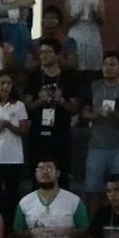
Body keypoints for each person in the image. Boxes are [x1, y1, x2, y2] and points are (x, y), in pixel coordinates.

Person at [81, 52, 119, 215]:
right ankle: (93, 225)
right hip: (96, 145)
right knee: (92, 188)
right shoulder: (93, 87)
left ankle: (118, 220)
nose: (108, 68)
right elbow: (84, 113)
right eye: (105, 64)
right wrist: (97, 113)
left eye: (112, 64)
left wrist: (113, 113)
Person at [24, 39, 80, 180]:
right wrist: (40, 101)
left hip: (60, 133)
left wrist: (60, 100)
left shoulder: (69, 77)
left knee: (61, 176)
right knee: (37, 177)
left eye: (48, 52)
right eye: (41, 52)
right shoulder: (34, 76)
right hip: (38, 133)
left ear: (57, 55)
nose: (44, 55)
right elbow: (26, 108)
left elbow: (74, 109)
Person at [0, 72, 30, 210]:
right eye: (2, 83)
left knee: (12, 193)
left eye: (8, 83)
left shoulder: (19, 106)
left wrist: (9, 126)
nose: (5, 86)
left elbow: (24, 130)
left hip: (13, 157)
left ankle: (11, 226)